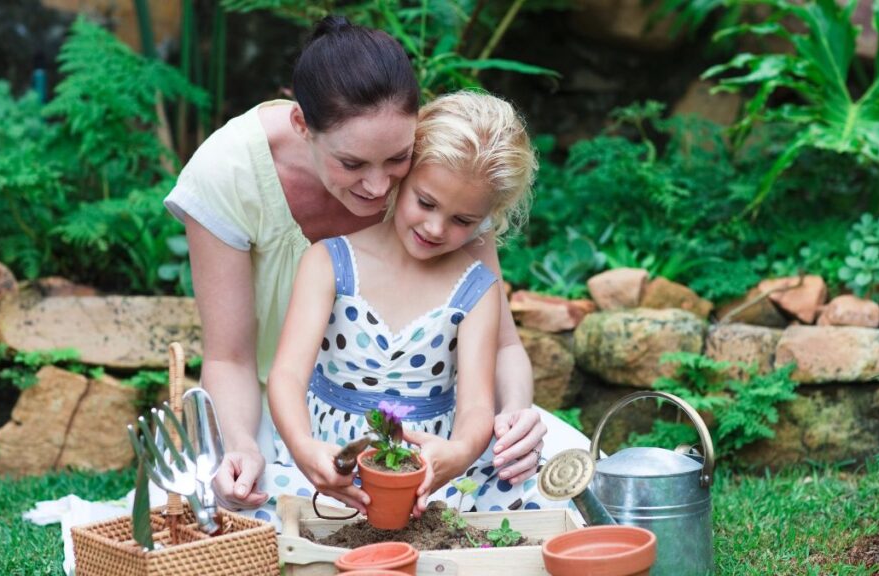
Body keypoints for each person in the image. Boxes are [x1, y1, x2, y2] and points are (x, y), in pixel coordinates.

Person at [164, 16, 576, 513]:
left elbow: (501, 347)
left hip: (432, 425)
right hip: (281, 414)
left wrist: (511, 417)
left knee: (558, 482)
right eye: (353, 164)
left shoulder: (446, 173)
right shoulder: (230, 173)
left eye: (397, 160)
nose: (379, 188)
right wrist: (244, 446)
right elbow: (230, 359)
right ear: (302, 126)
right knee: (238, 500)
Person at [266, 90, 555, 519]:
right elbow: (288, 374)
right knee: (264, 507)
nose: (436, 228)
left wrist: (457, 453)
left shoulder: (475, 287)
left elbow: (476, 404)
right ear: (402, 175)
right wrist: (305, 447)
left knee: (526, 506)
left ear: (487, 218)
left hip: (429, 472)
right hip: (334, 463)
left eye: (463, 220)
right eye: (426, 202)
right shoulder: (330, 261)